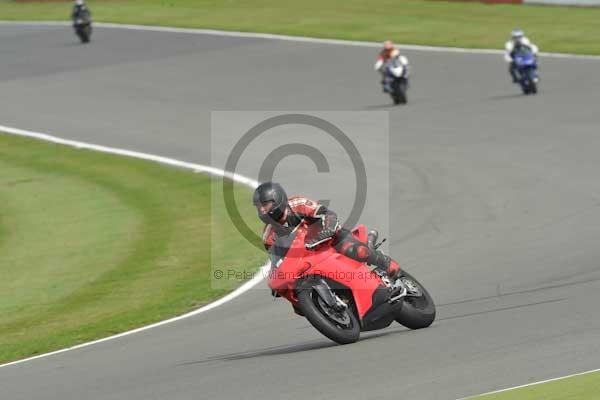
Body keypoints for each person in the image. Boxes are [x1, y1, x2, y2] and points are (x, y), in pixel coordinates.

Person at [253, 182, 400, 279]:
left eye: (265, 204)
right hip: (308, 259)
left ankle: (387, 264)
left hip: (330, 240)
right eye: (258, 206)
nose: (261, 209)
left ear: (278, 199)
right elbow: (276, 261)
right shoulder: (268, 236)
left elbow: (326, 213)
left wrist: (328, 229)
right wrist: (276, 277)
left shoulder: (297, 204)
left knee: (357, 251)